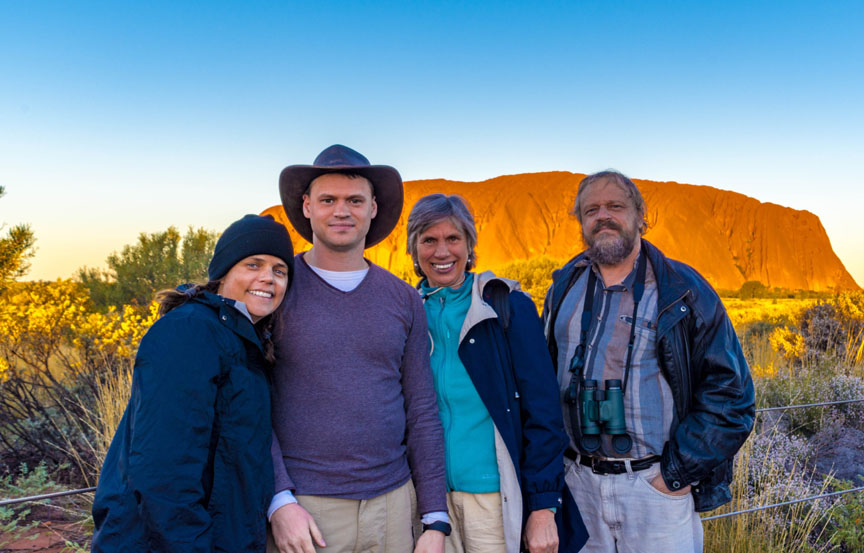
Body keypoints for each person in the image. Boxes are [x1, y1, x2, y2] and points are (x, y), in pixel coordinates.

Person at [543, 170, 755, 553]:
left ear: (642, 215)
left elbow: (732, 396)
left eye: (615, 206)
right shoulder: (564, 287)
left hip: (654, 488)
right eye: (591, 209)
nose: (603, 216)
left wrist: (676, 474)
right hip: (578, 485)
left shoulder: (683, 290)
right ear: (580, 221)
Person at [268, 145, 447, 553]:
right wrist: (279, 499)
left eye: (354, 200)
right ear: (307, 207)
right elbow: (248, 403)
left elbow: (421, 408)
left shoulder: (403, 299)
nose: (341, 211)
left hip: (393, 505)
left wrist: (434, 517)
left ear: (373, 208)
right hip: (306, 510)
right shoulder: (278, 288)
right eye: (328, 200)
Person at [91, 214, 295, 553]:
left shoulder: (241, 340)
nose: (267, 278)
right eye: (253, 265)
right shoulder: (189, 331)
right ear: (224, 273)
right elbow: (163, 472)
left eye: (279, 270)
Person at [405, 194, 588, 553]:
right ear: (414, 249)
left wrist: (542, 506)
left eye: (453, 239)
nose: (442, 252)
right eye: (429, 240)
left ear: (470, 245)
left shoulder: (505, 307)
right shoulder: (406, 311)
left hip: (493, 498)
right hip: (426, 501)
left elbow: (544, 414)